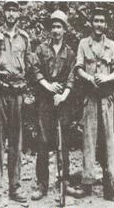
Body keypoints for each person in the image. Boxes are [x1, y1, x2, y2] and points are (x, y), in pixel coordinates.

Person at [0, 1, 32, 205]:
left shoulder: (25, 37)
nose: (11, 13)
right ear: (4, 13)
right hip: (0, 94)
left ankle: (15, 187)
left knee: (16, 144)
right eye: (8, 10)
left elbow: (30, 65)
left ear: (19, 13)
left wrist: (29, 93)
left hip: (18, 94)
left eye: (14, 10)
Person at [31, 10, 75, 200]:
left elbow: (73, 76)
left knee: (63, 142)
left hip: (62, 101)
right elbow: (34, 70)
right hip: (45, 101)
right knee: (42, 141)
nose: (56, 30)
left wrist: (63, 94)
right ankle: (42, 184)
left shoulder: (70, 52)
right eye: (53, 26)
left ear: (65, 29)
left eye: (59, 26)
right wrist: (48, 86)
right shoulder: (41, 49)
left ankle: (65, 181)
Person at [73, 7, 114, 201]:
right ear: (91, 23)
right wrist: (89, 77)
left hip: (107, 99)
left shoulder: (112, 45)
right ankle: (87, 184)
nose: (99, 24)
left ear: (106, 24)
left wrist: (106, 78)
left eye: (102, 21)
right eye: (96, 20)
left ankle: (110, 184)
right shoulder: (83, 43)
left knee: (109, 141)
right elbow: (78, 68)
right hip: (89, 98)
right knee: (88, 140)